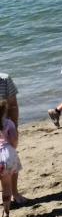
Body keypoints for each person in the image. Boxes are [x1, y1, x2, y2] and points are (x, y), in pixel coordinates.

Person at [0, 73, 20, 208]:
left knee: (11, 165)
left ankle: (15, 193)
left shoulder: (5, 79)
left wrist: (14, 127)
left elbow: (13, 105)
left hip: (4, 131)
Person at [0, 98, 18, 217]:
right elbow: (14, 140)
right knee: (7, 185)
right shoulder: (8, 123)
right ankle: (5, 211)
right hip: (6, 155)